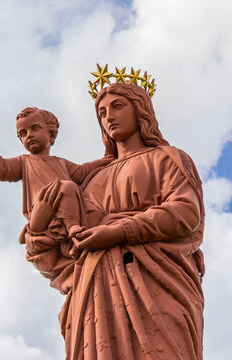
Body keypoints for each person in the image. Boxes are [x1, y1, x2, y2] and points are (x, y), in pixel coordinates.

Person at [24, 83, 205, 359]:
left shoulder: (166, 158)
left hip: (156, 282)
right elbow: (59, 259)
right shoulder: (88, 182)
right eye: (102, 112)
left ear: (141, 110)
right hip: (94, 293)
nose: (109, 116)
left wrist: (120, 231)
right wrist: (36, 229)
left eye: (118, 106)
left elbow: (186, 213)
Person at [0, 107, 110, 250]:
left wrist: (105, 160)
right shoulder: (24, 161)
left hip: (66, 203)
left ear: (51, 133)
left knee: (84, 201)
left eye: (35, 128)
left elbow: (82, 171)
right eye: (23, 133)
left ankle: (75, 233)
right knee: (68, 186)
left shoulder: (60, 162)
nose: (29, 135)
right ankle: (72, 226)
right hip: (43, 208)